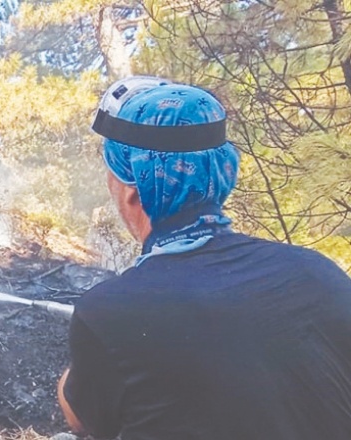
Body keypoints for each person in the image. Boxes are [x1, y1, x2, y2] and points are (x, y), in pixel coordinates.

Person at [56, 77, 351, 440]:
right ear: (222, 172)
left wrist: (80, 369)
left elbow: (80, 419)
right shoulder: (317, 272)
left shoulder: (109, 311)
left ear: (132, 190)